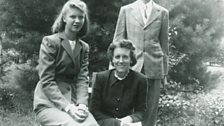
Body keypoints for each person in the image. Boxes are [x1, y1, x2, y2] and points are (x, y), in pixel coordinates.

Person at [33, 0, 99, 125]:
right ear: (64, 18)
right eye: (73, 16)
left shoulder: (84, 47)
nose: (77, 21)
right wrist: (68, 107)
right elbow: (46, 80)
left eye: (81, 17)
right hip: (49, 103)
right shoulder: (51, 42)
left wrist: (82, 105)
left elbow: (82, 78)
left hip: (74, 101)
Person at [112, 0, 169, 126]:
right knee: (125, 108)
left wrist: (164, 73)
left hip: (154, 67)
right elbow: (117, 41)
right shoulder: (126, 10)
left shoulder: (162, 12)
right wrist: (113, 70)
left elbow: (164, 45)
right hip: (130, 66)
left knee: (150, 111)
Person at [90, 39, 148, 126]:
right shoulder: (101, 78)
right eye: (117, 57)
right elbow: (94, 110)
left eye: (125, 57)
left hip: (127, 123)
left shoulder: (140, 80)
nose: (121, 61)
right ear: (112, 59)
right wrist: (116, 123)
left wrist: (130, 118)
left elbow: (141, 111)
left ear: (131, 59)